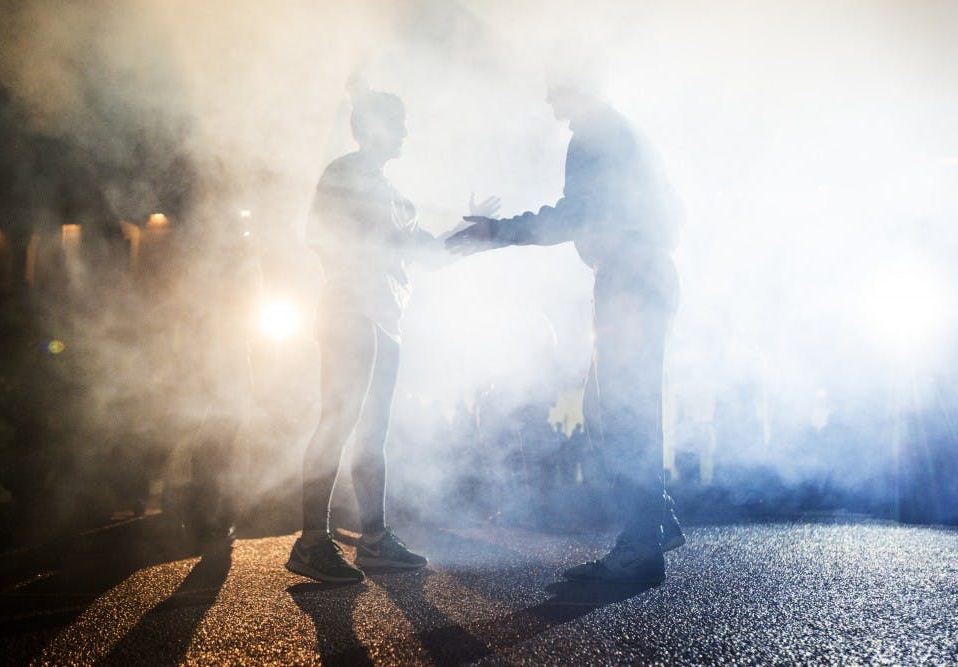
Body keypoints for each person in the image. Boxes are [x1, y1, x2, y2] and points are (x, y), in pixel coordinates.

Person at [447, 55, 685, 585]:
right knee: (615, 407)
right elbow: (673, 208)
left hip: (629, 277)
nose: (551, 103)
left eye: (556, 90)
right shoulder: (625, 133)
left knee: (622, 411)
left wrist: (497, 233)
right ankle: (654, 519)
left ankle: (642, 544)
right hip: (642, 272)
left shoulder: (595, 136)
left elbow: (573, 216)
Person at [286, 81, 497, 583]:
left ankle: (375, 540)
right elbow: (320, 237)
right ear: (375, 127)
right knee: (337, 423)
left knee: (372, 434)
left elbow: (428, 256)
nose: (406, 130)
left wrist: (476, 234)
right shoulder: (341, 174)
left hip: (385, 317)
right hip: (349, 311)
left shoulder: (396, 194)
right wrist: (382, 241)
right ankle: (312, 541)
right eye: (398, 121)